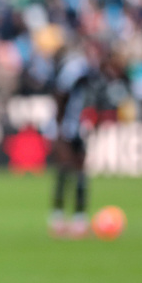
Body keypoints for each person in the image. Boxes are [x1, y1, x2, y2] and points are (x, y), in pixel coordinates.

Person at [46, 41, 97, 238]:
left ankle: (70, 219)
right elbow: (62, 96)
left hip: (74, 125)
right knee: (71, 170)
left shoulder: (73, 68)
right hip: (71, 126)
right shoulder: (76, 68)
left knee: (71, 171)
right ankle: (70, 219)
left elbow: (61, 95)